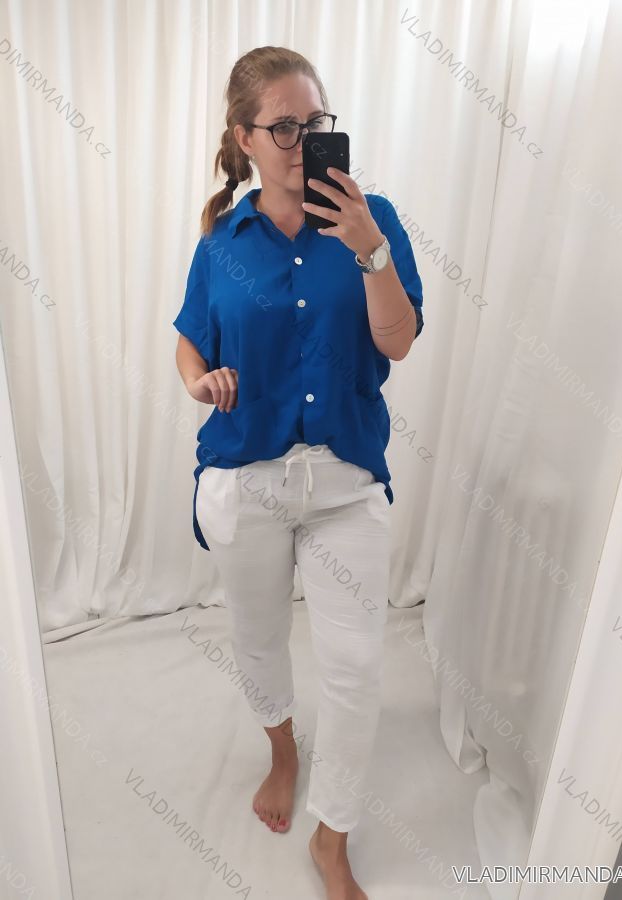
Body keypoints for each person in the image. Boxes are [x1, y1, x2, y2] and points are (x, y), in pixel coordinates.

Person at [173, 45, 423, 900]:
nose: (302, 140)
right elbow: (189, 339)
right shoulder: (222, 241)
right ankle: (282, 752)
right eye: (282, 126)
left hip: (345, 484)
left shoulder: (371, 218)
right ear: (243, 137)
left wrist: (370, 251)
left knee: (356, 667)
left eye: (314, 122)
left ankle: (333, 835)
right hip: (245, 476)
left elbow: (398, 343)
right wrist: (198, 382)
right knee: (257, 640)